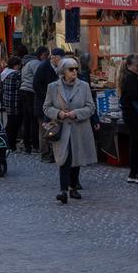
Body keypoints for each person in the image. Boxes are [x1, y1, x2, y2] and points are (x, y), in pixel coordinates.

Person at [43, 57, 98, 204]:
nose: (74, 71)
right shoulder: (53, 87)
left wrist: (76, 113)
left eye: (76, 69)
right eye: (71, 69)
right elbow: (46, 107)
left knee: (76, 157)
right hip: (62, 128)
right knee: (64, 159)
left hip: (79, 128)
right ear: (63, 71)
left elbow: (91, 107)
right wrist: (58, 113)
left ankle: (73, 186)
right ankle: (63, 190)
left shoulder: (84, 86)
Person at [117, 55, 138, 185]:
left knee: (135, 143)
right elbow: (136, 95)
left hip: (130, 114)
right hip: (134, 114)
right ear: (129, 65)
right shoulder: (131, 78)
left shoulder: (127, 77)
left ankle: (133, 173)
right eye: (136, 66)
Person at [32, 49, 61, 162]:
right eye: (60, 58)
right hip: (42, 103)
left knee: (53, 127)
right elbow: (36, 85)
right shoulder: (43, 67)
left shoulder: (57, 67)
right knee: (43, 128)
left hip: (53, 104)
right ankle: (45, 153)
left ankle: (52, 152)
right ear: (54, 57)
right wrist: (47, 97)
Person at [18, 49, 43, 156]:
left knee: (26, 119)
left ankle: (27, 144)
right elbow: (38, 78)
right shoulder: (36, 63)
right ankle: (35, 145)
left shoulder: (25, 64)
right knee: (33, 119)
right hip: (31, 92)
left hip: (23, 90)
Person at [0, 56, 23, 151]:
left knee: (10, 122)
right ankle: (11, 144)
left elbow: (0, 88)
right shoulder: (16, 74)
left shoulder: (4, 73)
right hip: (15, 101)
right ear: (16, 65)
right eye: (19, 65)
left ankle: (8, 142)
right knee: (15, 123)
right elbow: (20, 85)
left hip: (7, 100)